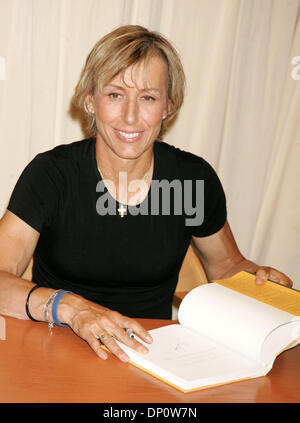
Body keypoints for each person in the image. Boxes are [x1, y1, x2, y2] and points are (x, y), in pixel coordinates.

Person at [0, 25, 292, 363]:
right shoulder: (52, 175)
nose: (130, 116)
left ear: (168, 107)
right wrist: (70, 307)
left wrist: (260, 282)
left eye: (148, 98)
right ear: (90, 100)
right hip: (57, 348)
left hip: (154, 355)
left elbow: (226, 266)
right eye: (115, 95)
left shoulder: (191, 180)